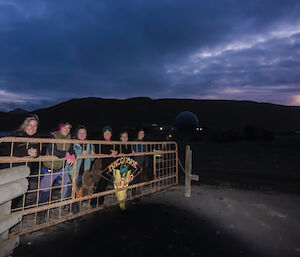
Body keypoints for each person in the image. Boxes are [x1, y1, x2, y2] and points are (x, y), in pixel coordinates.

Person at [4, 115, 41, 209]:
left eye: (35, 126)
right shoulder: (16, 135)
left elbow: (38, 151)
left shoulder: (36, 138)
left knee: (19, 194)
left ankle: (10, 213)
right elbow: (8, 151)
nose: (32, 128)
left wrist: (36, 153)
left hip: (24, 172)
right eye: (30, 125)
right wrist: (26, 151)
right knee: (6, 195)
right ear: (25, 125)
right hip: (10, 171)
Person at [39, 122, 75, 206]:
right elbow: (53, 151)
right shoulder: (53, 136)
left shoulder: (69, 138)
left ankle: (62, 202)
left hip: (60, 168)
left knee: (68, 184)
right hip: (48, 169)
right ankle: (41, 212)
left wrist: (72, 156)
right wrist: (67, 155)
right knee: (45, 192)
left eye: (68, 128)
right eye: (64, 128)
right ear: (60, 128)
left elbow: (71, 149)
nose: (67, 130)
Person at [91, 125, 117, 207]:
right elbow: (100, 150)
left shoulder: (114, 142)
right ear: (103, 134)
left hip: (113, 166)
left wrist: (116, 152)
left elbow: (120, 148)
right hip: (103, 166)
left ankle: (121, 200)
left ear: (111, 134)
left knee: (107, 184)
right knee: (101, 184)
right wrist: (110, 152)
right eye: (105, 132)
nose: (107, 134)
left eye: (109, 132)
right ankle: (95, 202)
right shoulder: (100, 142)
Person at [68, 125, 95, 197]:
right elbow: (70, 154)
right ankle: (66, 204)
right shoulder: (73, 143)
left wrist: (93, 155)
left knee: (79, 191)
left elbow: (91, 159)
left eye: (84, 133)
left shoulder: (89, 144)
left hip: (84, 171)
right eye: (80, 133)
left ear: (86, 134)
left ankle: (76, 206)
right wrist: (81, 154)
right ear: (77, 134)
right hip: (74, 171)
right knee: (71, 190)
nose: (82, 135)